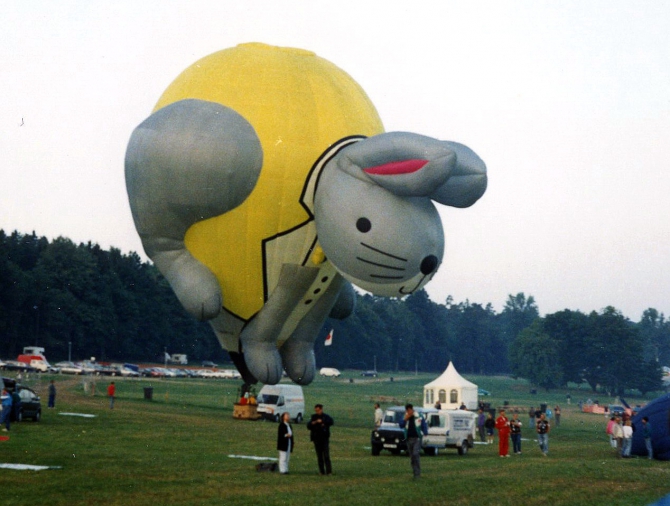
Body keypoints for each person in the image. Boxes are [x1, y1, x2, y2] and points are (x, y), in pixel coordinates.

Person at [398, 403, 427, 479]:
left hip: (417, 438)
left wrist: (425, 432)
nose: (409, 412)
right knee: (412, 457)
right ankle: (415, 473)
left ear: (412, 409)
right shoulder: (405, 416)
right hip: (409, 439)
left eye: (410, 410)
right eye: (407, 410)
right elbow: (401, 425)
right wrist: (405, 419)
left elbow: (423, 424)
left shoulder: (418, 416)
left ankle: (417, 474)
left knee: (415, 454)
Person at [307, 404, 334, 475]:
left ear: (321, 409)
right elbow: (309, 425)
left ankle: (329, 471)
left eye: (318, 410)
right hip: (316, 439)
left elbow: (331, 422)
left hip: (324, 439)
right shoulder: (313, 417)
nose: (317, 412)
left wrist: (323, 422)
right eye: (316, 410)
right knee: (319, 456)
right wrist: (315, 422)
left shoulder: (326, 417)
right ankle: (321, 471)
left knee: (326, 455)